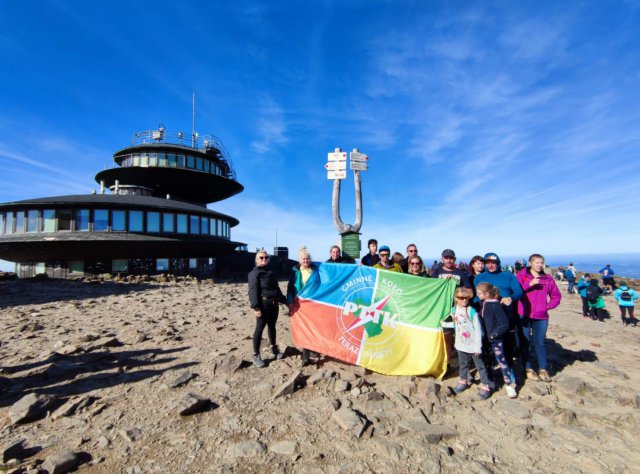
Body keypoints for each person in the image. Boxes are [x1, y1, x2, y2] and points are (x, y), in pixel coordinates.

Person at [473, 252, 523, 382]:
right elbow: (475, 295)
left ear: (498, 263)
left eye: (493, 262)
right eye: (487, 262)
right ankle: (489, 372)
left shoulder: (508, 275)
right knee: (486, 344)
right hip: (486, 314)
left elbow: (518, 291)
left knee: (507, 343)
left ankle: (509, 370)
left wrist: (510, 298)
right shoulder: (479, 278)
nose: (490, 265)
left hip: (506, 313)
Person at [516, 254, 562, 382]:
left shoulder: (547, 278)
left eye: (542, 262)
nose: (540, 265)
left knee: (540, 343)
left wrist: (547, 307)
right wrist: (529, 284)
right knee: (525, 343)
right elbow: (516, 291)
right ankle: (528, 369)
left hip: (541, 316)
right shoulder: (522, 276)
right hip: (524, 314)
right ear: (530, 263)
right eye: (537, 262)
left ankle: (543, 369)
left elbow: (556, 296)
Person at [441, 287, 491, 400]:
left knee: (480, 366)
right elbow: (456, 325)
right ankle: (463, 381)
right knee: (463, 364)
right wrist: (444, 325)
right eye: (461, 298)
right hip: (460, 344)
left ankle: (486, 386)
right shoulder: (453, 310)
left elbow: (478, 330)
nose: (464, 300)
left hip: (473, 345)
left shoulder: (472, 312)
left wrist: (478, 347)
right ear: (456, 298)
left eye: (466, 298)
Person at [476, 282, 517, 399]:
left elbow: (504, 324)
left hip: (495, 340)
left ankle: (509, 385)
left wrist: (493, 335)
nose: (477, 295)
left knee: (502, 362)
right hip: (485, 340)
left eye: (479, 293)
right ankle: (490, 381)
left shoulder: (495, 305)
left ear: (487, 294)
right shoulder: (483, 304)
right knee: (487, 360)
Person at [248, 250, 287, 368]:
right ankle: (256, 355)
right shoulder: (254, 274)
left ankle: (274, 349)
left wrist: (285, 301)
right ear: (256, 259)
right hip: (263, 305)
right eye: (261, 257)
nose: (263, 259)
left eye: (266, 257)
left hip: (274, 304)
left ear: (268, 259)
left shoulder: (271, 273)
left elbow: (277, 289)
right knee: (259, 329)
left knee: (272, 327)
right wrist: (256, 307)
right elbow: (253, 291)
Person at [287, 246, 320, 365]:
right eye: (303, 259)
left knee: (313, 327)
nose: (305, 261)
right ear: (300, 260)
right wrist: (289, 302)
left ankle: (312, 350)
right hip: (300, 303)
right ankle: (305, 355)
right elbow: (290, 287)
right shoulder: (295, 271)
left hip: (313, 303)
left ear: (310, 259)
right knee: (304, 328)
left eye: (307, 259)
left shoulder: (315, 269)